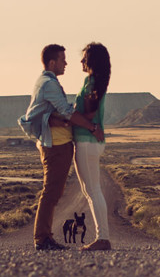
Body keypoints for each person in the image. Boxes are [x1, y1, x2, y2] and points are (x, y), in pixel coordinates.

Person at [19, 44, 74, 251]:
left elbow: (54, 112)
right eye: (63, 59)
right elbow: (66, 110)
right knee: (51, 191)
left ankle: (44, 236)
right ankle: (42, 238)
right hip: (55, 145)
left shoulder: (46, 81)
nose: (66, 63)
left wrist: (55, 117)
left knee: (53, 191)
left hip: (56, 143)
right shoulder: (49, 84)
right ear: (52, 62)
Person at [69, 41, 113, 250]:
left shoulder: (90, 82)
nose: (80, 61)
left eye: (84, 58)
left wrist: (67, 116)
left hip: (86, 141)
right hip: (92, 141)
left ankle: (102, 238)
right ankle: (102, 237)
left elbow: (88, 114)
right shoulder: (98, 82)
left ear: (91, 61)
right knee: (92, 190)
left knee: (93, 190)